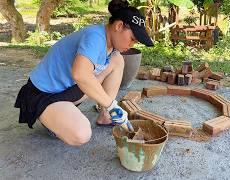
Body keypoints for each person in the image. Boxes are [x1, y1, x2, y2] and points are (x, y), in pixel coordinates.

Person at [14, 0, 153, 146]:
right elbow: (80, 74)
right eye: (132, 39)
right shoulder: (95, 37)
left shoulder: (110, 45)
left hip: (68, 91)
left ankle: (105, 116)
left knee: (117, 60)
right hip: (43, 95)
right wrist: (112, 105)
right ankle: (50, 120)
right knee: (81, 134)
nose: (132, 45)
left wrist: (109, 108)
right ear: (119, 26)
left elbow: (86, 77)